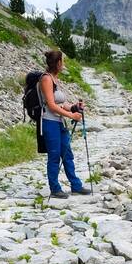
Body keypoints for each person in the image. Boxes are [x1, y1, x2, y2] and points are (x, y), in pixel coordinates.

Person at [38, 49, 91, 197]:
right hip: (49, 122)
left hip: (60, 123)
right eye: (63, 61)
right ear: (58, 63)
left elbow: (61, 103)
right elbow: (51, 105)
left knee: (67, 154)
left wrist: (74, 107)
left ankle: (76, 185)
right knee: (54, 155)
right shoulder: (46, 79)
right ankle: (55, 189)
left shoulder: (55, 79)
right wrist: (71, 115)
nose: (64, 64)